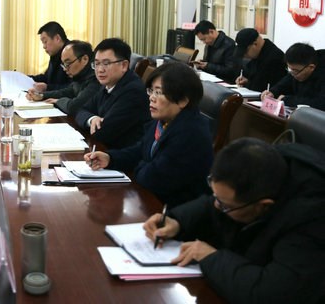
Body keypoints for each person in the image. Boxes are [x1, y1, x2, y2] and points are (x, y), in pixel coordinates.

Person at [143, 138, 325, 303]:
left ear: (263, 205)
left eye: (224, 205)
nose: (216, 206)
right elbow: (215, 203)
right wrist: (178, 221)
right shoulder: (262, 167)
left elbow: (271, 294)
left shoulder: (311, 219)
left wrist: (210, 257)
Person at [85, 62, 213, 207]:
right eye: (151, 91)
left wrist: (141, 166)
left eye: (159, 92)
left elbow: (153, 178)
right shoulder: (165, 120)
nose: (152, 97)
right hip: (152, 199)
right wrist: (110, 158)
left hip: (175, 210)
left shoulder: (190, 133)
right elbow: (141, 150)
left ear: (183, 100)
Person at [75, 38, 150, 149]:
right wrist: (92, 119)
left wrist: (93, 121)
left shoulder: (133, 92)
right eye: (97, 64)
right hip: (106, 149)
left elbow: (103, 133)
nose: (100, 70)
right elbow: (80, 110)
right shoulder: (109, 83)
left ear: (124, 65)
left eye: (106, 63)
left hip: (123, 155)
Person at [26, 40, 99, 116]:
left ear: (84, 59)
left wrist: (58, 101)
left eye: (68, 63)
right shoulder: (80, 76)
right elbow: (67, 92)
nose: (65, 69)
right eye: (63, 64)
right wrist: (41, 95)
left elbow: (74, 107)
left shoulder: (96, 78)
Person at [262, 42, 325, 110]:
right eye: (290, 69)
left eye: (295, 71)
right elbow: (285, 83)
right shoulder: (297, 70)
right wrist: (273, 92)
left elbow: (321, 103)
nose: (292, 74)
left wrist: (287, 100)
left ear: (311, 67)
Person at [28, 21, 72, 92]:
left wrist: (47, 87)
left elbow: (74, 87)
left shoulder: (72, 53)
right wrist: (26, 78)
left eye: (45, 42)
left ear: (57, 38)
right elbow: (47, 78)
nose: (44, 46)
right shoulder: (55, 54)